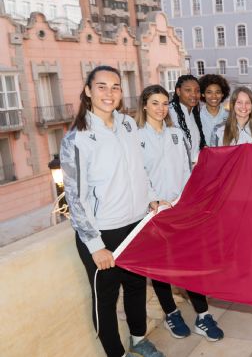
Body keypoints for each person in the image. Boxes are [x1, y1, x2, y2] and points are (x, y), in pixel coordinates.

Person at [60, 66, 166, 357]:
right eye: (102, 87)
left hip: (135, 225)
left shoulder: (128, 124)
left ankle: (139, 339)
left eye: (116, 87)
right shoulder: (77, 138)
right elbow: (74, 197)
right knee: (105, 300)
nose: (110, 93)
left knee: (135, 288)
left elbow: (139, 169)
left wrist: (152, 198)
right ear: (88, 91)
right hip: (103, 232)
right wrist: (95, 245)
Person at [136, 85, 224, 342]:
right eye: (155, 103)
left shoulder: (177, 134)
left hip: (182, 210)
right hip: (155, 212)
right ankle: (171, 313)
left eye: (164, 103)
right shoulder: (137, 138)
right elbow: (138, 175)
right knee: (161, 267)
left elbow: (188, 171)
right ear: (144, 105)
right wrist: (154, 200)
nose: (161, 108)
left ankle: (203, 316)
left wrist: (188, 200)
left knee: (189, 263)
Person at [169, 75, 205, 163]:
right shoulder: (168, 114)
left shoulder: (194, 114)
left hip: (195, 170)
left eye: (197, 91)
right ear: (178, 91)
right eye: (188, 90)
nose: (194, 94)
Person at [198, 74, 230, 146]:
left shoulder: (231, 117)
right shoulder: (196, 117)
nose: (214, 96)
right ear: (203, 94)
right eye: (209, 92)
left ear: (222, 94)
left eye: (217, 92)